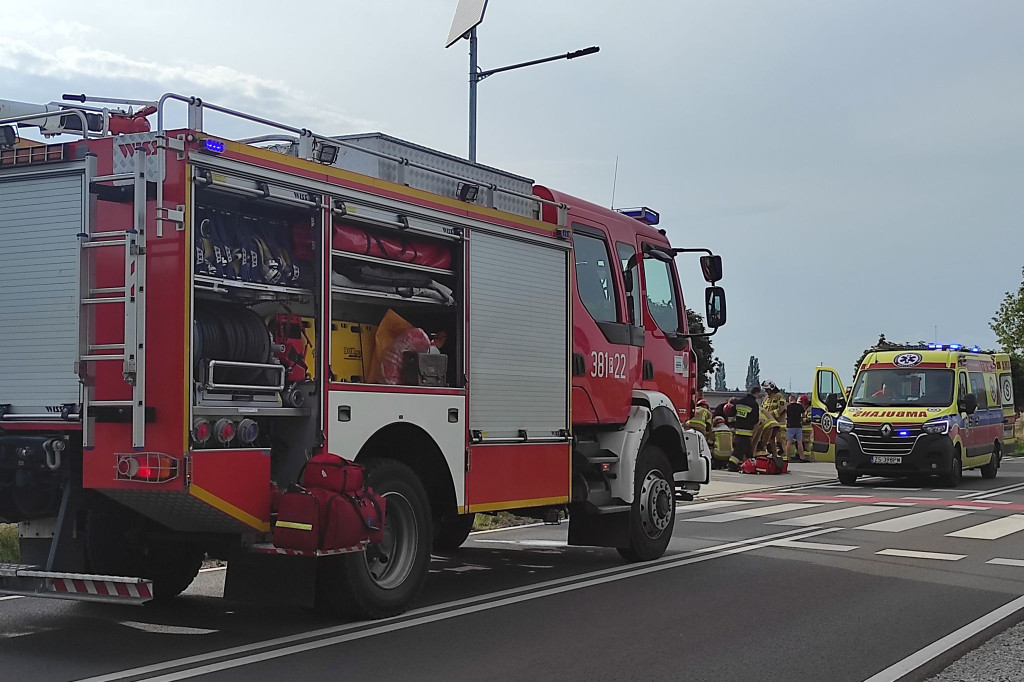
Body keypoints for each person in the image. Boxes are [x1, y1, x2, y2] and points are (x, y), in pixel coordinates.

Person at [730, 385, 760, 471]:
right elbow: (755, 419)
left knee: (747, 448)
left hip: (737, 429)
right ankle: (732, 464)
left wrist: (732, 424)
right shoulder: (754, 404)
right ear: (757, 393)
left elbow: (731, 414)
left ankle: (749, 463)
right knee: (740, 448)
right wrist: (750, 424)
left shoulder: (739, 402)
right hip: (747, 430)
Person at [785, 394, 808, 462]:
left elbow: (785, 416)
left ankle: (787, 457)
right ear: (795, 399)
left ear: (790, 400)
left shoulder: (788, 407)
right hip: (798, 426)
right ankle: (802, 457)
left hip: (790, 426)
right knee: (799, 442)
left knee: (789, 442)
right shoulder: (799, 406)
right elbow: (803, 415)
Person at [800, 394, 814, 462]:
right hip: (803, 430)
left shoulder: (809, 409)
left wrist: (801, 419)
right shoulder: (804, 408)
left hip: (807, 430)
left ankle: (807, 457)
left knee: (806, 444)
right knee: (802, 443)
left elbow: (809, 419)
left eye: (801, 402)